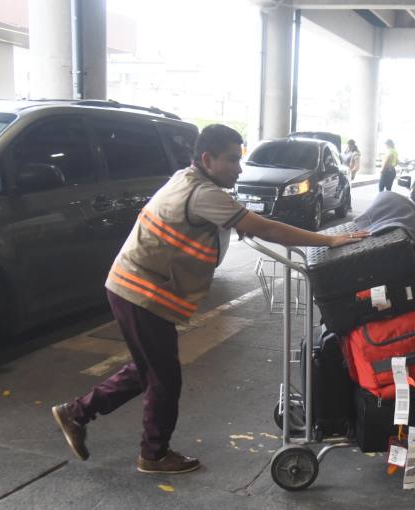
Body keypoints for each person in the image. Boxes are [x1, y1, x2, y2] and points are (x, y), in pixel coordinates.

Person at [51, 124, 365, 474]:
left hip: (134, 287)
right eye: (232, 160)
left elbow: (236, 221)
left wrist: (237, 223)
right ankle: (153, 454)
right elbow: (266, 227)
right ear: (207, 159)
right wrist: (328, 242)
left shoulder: (189, 180)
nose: (239, 169)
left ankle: (77, 413)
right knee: (164, 378)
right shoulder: (203, 194)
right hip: (141, 292)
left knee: (149, 370)